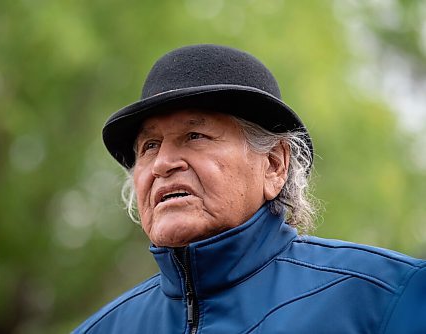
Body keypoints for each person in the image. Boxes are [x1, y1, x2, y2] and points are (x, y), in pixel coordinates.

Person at [73, 44, 426, 333]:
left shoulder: (386, 297)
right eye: (150, 146)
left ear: (274, 165)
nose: (163, 163)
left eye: (194, 136)